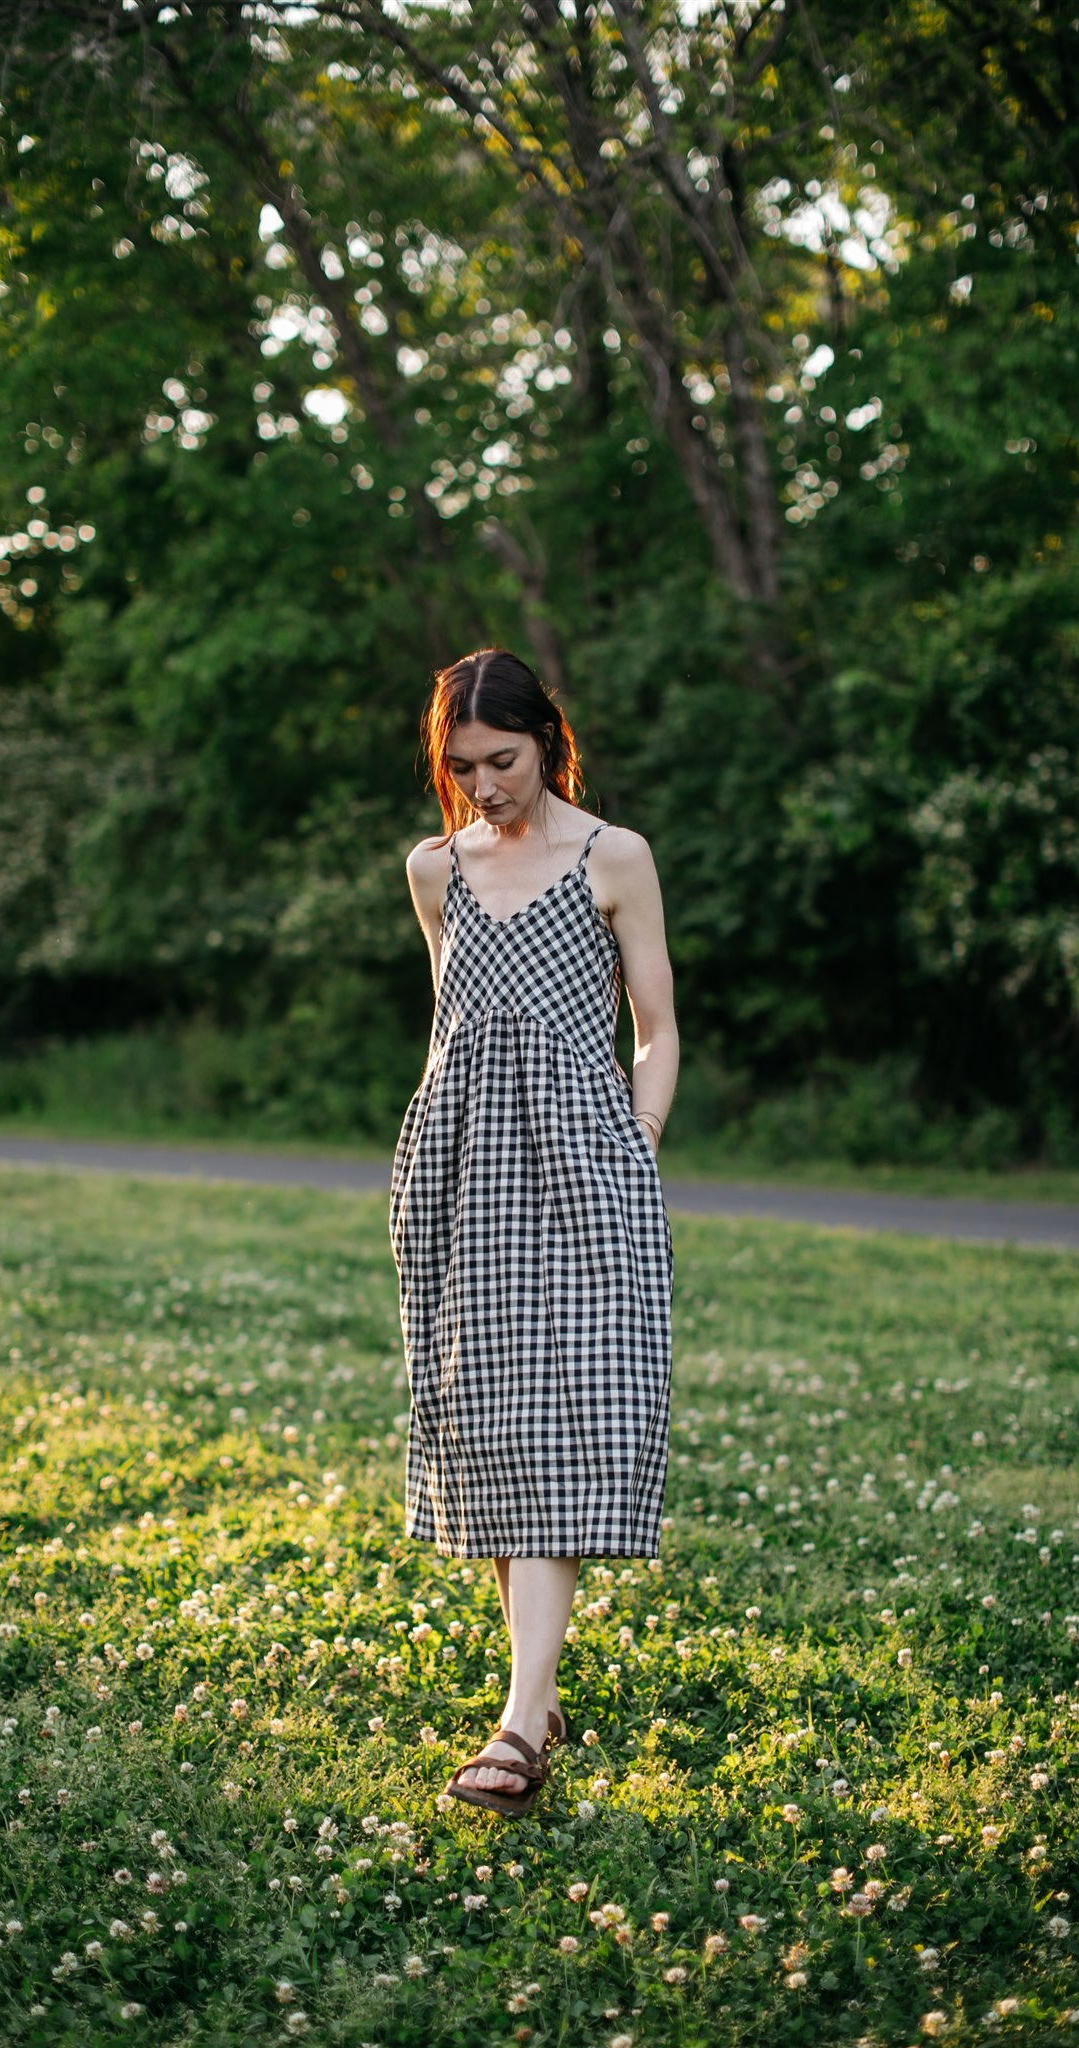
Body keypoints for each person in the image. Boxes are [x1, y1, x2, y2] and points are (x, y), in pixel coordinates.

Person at [390, 645, 677, 1818]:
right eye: (462, 767)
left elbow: (656, 1025)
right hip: (461, 1175)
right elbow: (447, 1039)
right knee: (495, 1433)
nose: (485, 785)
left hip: (585, 1167)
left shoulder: (614, 858)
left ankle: (518, 1727)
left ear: (546, 742)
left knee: (563, 1421)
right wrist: (417, 1175)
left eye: (502, 760)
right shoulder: (434, 869)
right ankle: (536, 1688)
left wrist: (639, 1138)